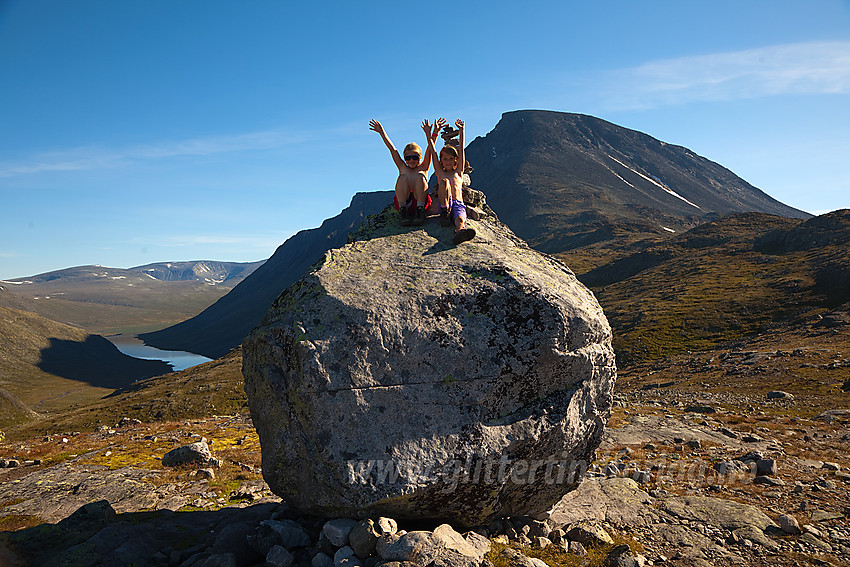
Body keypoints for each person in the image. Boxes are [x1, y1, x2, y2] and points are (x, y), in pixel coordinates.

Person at [369, 118, 442, 226]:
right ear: (405, 158)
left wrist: (434, 132)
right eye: (408, 158)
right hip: (406, 203)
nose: (411, 160)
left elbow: (430, 149)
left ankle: (420, 212)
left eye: (414, 157)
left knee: (420, 177)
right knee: (402, 178)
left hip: (420, 203)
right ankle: (403, 213)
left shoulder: (424, 166)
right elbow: (392, 148)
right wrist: (381, 132)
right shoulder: (402, 166)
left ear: (420, 158)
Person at [424, 118, 476, 244]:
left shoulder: (459, 172)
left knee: (459, 217)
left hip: (458, 203)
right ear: (441, 160)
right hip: (444, 204)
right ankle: (445, 212)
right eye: (445, 159)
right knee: (444, 182)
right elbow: (433, 151)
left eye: (451, 159)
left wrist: (461, 130)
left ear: (456, 160)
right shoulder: (440, 172)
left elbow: (461, 149)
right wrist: (428, 134)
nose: (448, 161)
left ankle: (460, 231)